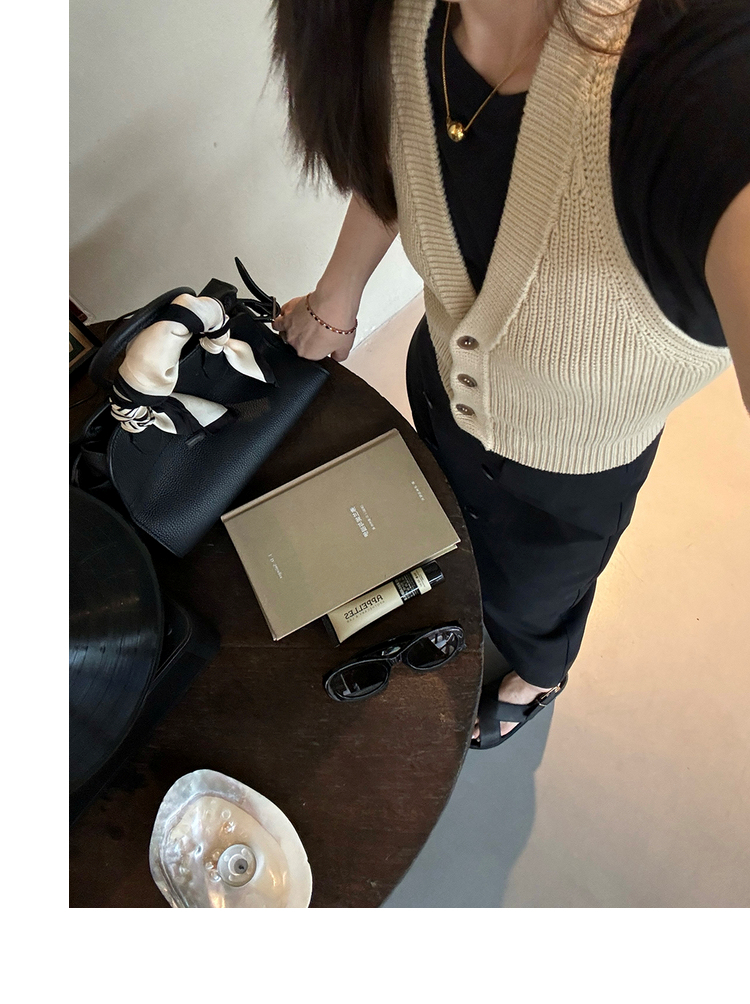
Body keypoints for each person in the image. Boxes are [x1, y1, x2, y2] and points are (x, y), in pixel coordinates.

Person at [269, 0, 750, 748]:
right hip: (437, 383)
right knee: (450, 532)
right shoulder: (397, 18)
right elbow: (400, 154)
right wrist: (337, 297)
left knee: (532, 606)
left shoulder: (699, 70)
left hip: (566, 477)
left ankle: (540, 674)